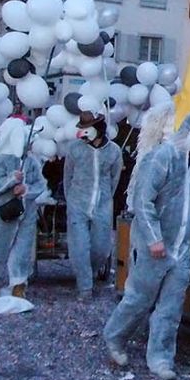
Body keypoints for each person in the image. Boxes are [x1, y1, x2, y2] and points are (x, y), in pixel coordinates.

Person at [103, 108, 190, 380]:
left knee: (170, 308)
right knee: (138, 298)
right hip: (154, 248)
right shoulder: (162, 158)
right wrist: (154, 239)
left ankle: (160, 359)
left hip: (181, 250)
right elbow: (142, 202)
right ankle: (114, 337)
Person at [0, 117, 47, 302]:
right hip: (5, 211)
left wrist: (26, 190)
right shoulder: (0, 161)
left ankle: (19, 283)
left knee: (23, 248)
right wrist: (11, 180)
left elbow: (40, 184)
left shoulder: (32, 162)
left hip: (27, 212)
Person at [62, 110, 123, 299]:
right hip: (77, 202)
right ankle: (84, 287)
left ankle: (90, 271)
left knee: (101, 247)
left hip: (102, 204)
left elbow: (115, 178)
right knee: (79, 246)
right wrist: (71, 199)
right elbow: (68, 176)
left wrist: (106, 198)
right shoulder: (74, 149)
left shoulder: (114, 150)